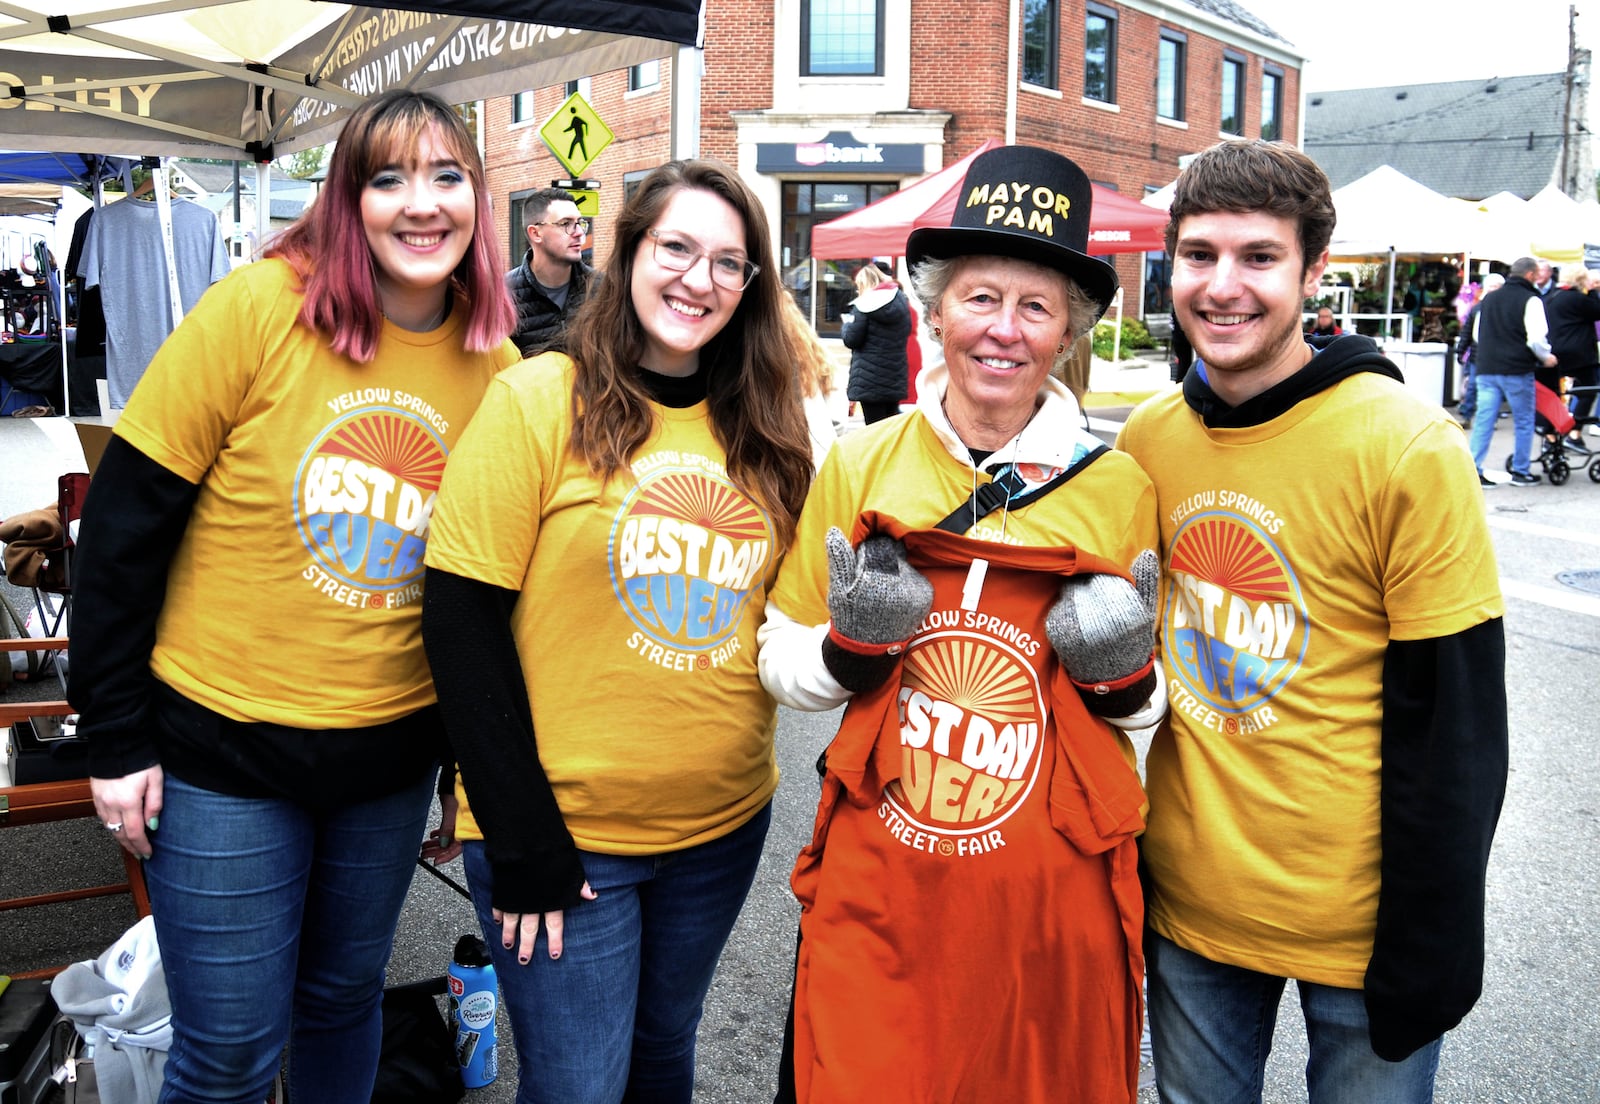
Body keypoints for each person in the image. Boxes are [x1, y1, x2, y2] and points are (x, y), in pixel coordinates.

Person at [67, 89, 519, 1104]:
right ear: (345, 199)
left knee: (342, 1003)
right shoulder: (259, 309)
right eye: (388, 177)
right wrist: (116, 737)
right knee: (227, 1049)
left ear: (478, 202)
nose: (421, 204)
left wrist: (465, 766)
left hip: (387, 764)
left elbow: (487, 598)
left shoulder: (502, 367)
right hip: (225, 757)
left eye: (448, 177)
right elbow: (125, 528)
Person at [759, 144, 1164, 1103]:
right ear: (933, 311)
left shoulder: (1121, 490)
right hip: (881, 893)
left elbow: (1149, 725)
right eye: (981, 298)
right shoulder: (861, 461)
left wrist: (1122, 679)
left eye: (1036, 307)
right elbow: (780, 655)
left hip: (1039, 915)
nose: (1003, 331)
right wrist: (850, 649)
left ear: (1069, 332)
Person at [1119, 138, 1508, 1104]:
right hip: (1191, 910)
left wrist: (1436, 940)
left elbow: (1458, 724)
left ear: (1313, 273)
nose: (1222, 285)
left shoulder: (1406, 443)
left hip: (1362, 929)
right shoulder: (1149, 439)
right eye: (1200, 254)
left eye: (1259, 258)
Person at [420, 158, 815, 1104]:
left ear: (751, 288)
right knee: (577, 1086)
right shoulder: (538, 398)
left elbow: (791, 616)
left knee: (660, 1059)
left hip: (721, 828)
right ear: (630, 252)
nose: (698, 278)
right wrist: (519, 837)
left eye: (729, 262)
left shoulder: (770, 428)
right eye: (676, 247)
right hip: (562, 833)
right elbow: (461, 617)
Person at [1469, 256, 1558, 486]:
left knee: (1484, 420)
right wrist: (1546, 357)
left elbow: (1477, 335)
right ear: (1530, 275)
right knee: (1524, 421)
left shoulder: (1489, 299)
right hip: (1516, 368)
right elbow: (1536, 338)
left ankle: (1473, 468)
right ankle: (1520, 470)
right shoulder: (1531, 299)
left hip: (1487, 367)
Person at [506, 186, 595, 357]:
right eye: (565, 224)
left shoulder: (603, 289)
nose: (578, 233)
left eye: (580, 223)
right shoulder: (504, 295)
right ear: (535, 233)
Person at [840, 261, 912, 424]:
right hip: (895, 375)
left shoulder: (864, 305)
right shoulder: (901, 300)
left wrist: (846, 326)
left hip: (870, 379)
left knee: (874, 429)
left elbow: (851, 339)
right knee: (891, 429)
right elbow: (907, 330)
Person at [1541, 268, 1600, 454]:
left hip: (1554, 353)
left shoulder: (1551, 298)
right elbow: (1598, 310)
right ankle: (1574, 433)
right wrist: (1592, 291)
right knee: (1588, 391)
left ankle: (1550, 436)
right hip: (1579, 353)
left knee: (1554, 395)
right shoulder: (1579, 299)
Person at [780, 291, 840, 469]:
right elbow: (838, 413)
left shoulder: (768, 358)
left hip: (788, 458)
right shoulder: (815, 350)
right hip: (824, 455)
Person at [1453, 272, 1504, 428]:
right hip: (1477, 354)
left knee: (1493, 388)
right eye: (1491, 286)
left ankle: (1491, 418)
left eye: (1497, 287)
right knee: (1473, 387)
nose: (1493, 290)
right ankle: (1467, 416)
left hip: (1496, 355)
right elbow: (1467, 331)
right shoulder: (1477, 308)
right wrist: (1461, 350)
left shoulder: (1503, 309)